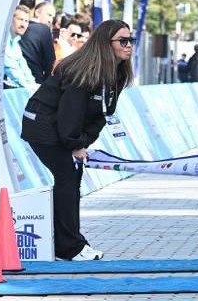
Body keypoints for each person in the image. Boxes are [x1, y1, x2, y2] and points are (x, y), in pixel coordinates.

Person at [20, 19, 135, 261]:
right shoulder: (84, 70)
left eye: (131, 40)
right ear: (106, 43)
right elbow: (68, 115)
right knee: (67, 178)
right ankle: (69, 247)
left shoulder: (115, 72)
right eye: (122, 41)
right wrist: (75, 144)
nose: (129, 45)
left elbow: (102, 115)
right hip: (43, 126)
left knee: (71, 180)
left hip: (62, 129)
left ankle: (66, 242)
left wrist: (84, 142)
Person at [21, 1, 57, 84]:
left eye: (53, 17)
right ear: (37, 12)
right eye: (49, 15)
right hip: (35, 81)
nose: (50, 20)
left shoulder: (17, 27)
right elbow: (50, 62)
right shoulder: (44, 30)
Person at [3, 6, 38, 90]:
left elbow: (23, 67)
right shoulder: (4, 40)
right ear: (10, 19)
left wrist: (32, 84)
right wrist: (27, 86)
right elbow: (10, 68)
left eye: (26, 21)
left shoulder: (15, 41)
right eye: (20, 19)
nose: (23, 24)